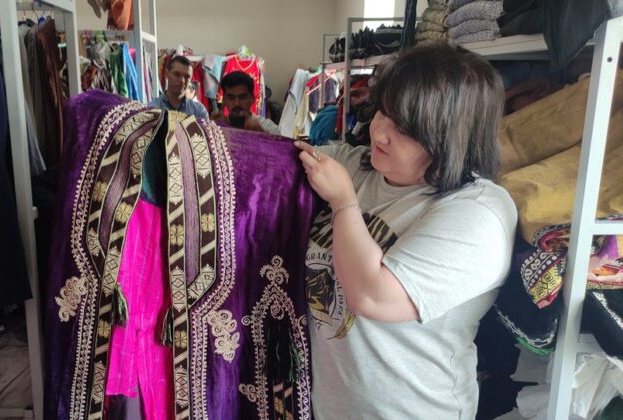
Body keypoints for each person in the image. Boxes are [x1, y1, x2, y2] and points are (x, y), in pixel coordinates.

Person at [294, 43, 518, 418]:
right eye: (384, 111)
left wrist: (344, 202)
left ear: (451, 137)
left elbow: (374, 297)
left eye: (405, 128)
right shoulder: (358, 166)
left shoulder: (479, 212)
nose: (379, 133)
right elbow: (270, 163)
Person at [212, 71, 281, 135]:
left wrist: (261, 134)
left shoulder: (269, 128)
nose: (236, 103)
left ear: (252, 99)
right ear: (224, 100)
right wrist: (210, 128)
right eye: (231, 98)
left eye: (242, 97)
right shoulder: (218, 126)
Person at [148, 56, 209, 120]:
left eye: (187, 77)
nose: (182, 81)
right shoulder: (152, 108)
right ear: (166, 74)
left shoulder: (199, 111)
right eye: (177, 74)